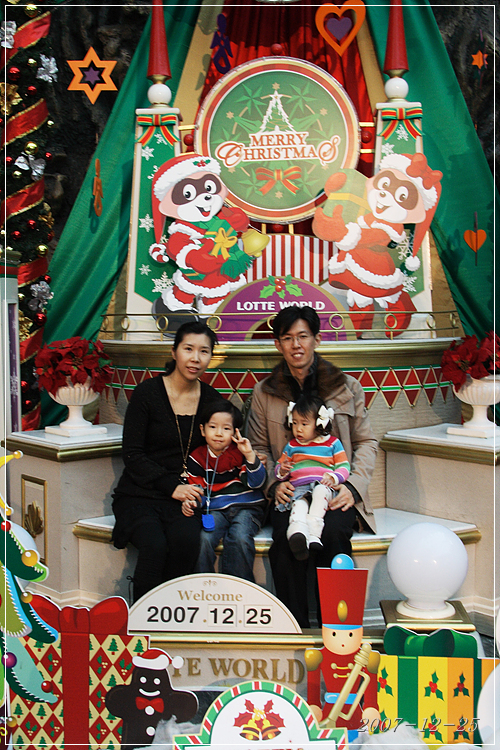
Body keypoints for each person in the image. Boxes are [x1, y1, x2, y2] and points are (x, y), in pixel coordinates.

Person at [246, 306, 377, 628]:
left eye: (303, 336)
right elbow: (258, 447)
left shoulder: (346, 386)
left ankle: (339, 629)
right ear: (278, 344)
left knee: (334, 535)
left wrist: (352, 486)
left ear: (316, 339)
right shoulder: (264, 392)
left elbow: (366, 442)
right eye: (287, 338)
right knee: (286, 539)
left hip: (334, 490)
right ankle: (296, 629)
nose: (296, 345)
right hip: (291, 491)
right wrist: (274, 485)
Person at [111, 320, 221, 603]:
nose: (195, 358)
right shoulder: (147, 393)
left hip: (185, 500)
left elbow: (221, 447)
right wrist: (172, 486)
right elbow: (132, 454)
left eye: (204, 351)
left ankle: (173, 615)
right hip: (141, 493)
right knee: (154, 545)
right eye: (188, 349)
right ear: (174, 352)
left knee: (186, 542)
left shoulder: (212, 401)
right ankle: (141, 620)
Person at [183, 400, 266, 582]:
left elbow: (257, 483)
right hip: (215, 510)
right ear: (203, 430)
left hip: (246, 508)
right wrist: (191, 502)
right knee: (204, 539)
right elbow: (197, 489)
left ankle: (239, 588)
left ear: (235, 432)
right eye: (213, 427)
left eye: (226, 428)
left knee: (240, 537)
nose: (219, 433)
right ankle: (203, 586)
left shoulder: (240, 453)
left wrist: (249, 455)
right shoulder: (197, 458)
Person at [275, 395, 350, 560]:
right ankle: (297, 534)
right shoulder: (292, 445)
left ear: (319, 423)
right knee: (298, 505)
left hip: (322, 485)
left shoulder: (332, 443)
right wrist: (282, 470)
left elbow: (344, 466)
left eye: (304, 424)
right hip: (299, 488)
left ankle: (314, 534)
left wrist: (334, 478)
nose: (298, 429)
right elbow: (279, 467)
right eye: (295, 423)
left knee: (320, 494)